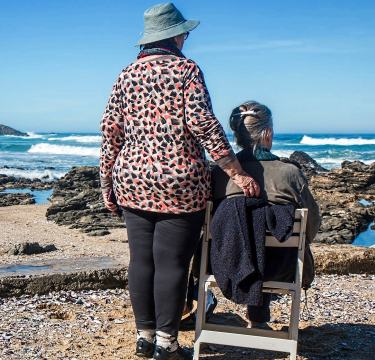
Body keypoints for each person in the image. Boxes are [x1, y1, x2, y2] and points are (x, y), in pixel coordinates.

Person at [99, 3, 260, 359]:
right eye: (184, 32)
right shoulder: (187, 70)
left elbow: (111, 130)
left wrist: (106, 184)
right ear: (174, 35)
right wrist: (236, 171)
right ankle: (167, 345)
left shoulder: (126, 74)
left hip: (132, 178)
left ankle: (144, 338)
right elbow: (203, 123)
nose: (186, 37)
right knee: (171, 263)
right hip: (180, 181)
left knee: (141, 260)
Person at [211, 101, 320, 329]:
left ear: (238, 135)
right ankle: (259, 320)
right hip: (281, 267)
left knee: (246, 234)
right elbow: (312, 225)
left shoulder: (218, 175)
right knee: (270, 243)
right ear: (267, 133)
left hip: (223, 264)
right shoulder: (290, 174)